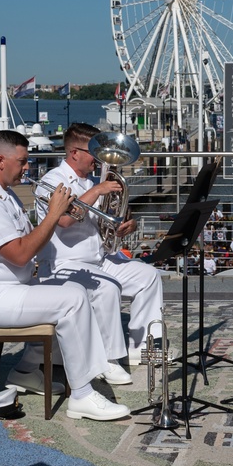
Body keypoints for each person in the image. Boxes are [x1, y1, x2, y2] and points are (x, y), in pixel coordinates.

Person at [0, 130, 130, 420]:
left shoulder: (5, 194)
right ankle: (82, 394)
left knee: (73, 289)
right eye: (23, 161)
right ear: (1, 161)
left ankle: (26, 371)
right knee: (72, 300)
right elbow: (20, 254)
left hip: (18, 285)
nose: (28, 168)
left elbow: (30, 246)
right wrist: (54, 214)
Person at [36, 123, 164, 367]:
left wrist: (126, 225)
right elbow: (62, 220)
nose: (99, 158)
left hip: (99, 259)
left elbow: (107, 221)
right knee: (109, 288)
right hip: (66, 264)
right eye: (93, 151)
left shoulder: (92, 181)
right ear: (74, 153)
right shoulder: (53, 180)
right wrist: (98, 190)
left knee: (148, 276)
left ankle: (141, 347)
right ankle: (108, 360)